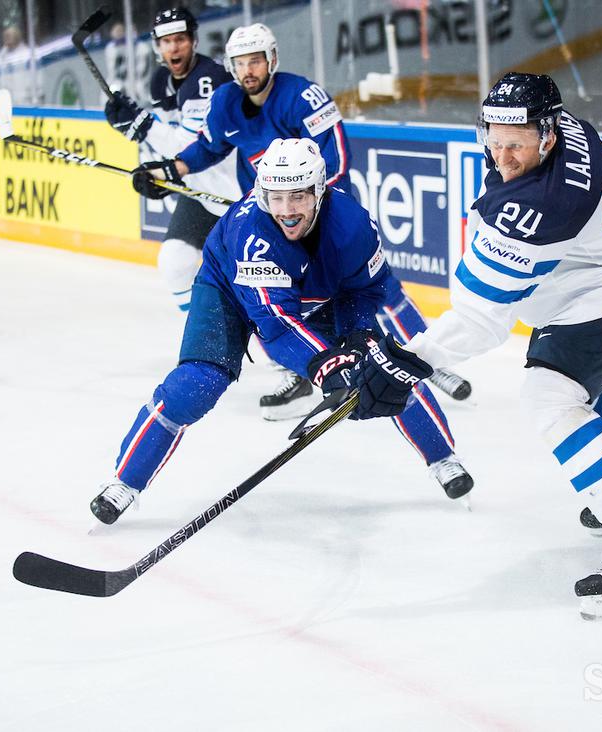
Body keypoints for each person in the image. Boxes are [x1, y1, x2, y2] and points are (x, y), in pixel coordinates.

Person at [348, 72, 602, 620]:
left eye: (516, 143)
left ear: (547, 135)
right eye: (494, 139)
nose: (502, 155)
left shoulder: (541, 207)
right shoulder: (563, 129)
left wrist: (409, 362)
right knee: (575, 386)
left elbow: (482, 321)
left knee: (550, 396)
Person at [90, 138, 473, 526]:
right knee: (194, 385)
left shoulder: (355, 226)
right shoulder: (251, 236)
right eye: (275, 197)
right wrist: (328, 366)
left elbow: (366, 289)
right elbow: (275, 326)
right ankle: (125, 483)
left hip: (314, 296)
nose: (286, 211)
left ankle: (444, 458)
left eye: (298, 197)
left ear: (319, 191)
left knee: (383, 370)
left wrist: (360, 339)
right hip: (227, 291)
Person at [133, 22, 472, 420]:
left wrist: (302, 205)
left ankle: (428, 357)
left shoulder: (304, 97)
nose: (248, 71)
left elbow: (338, 159)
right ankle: (299, 373)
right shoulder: (225, 101)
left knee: (379, 289)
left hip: (321, 212)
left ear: (272, 59)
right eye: (240, 63)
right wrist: (169, 170)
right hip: (271, 218)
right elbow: (209, 148)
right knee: (278, 304)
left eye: (256, 61)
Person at [104, 7, 238, 313]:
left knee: (255, 278)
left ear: (193, 41)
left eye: (180, 39)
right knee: (175, 262)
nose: (173, 47)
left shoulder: (210, 78)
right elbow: (171, 148)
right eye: (166, 41)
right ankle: (206, 337)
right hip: (199, 193)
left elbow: (196, 147)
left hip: (235, 192)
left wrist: (143, 125)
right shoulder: (160, 81)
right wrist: (135, 130)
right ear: (156, 46)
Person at [0, 24, 43, 105]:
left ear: (18, 35)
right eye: (5, 35)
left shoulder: (29, 54)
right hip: (7, 103)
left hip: (26, 101)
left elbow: (38, 80)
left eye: (9, 34)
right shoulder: (1, 55)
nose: (6, 37)